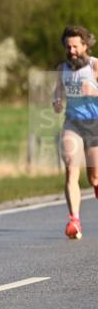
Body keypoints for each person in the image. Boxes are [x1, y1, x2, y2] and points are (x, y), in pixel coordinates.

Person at [51, 25, 98, 239]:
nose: (71, 51)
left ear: (85, 45)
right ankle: (74, 221)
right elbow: (58, 91)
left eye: (75, 46)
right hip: (73, 123)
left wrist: (94, 91)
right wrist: (57, 101)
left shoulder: (95, 66)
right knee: (71, 168)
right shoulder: (62, 69)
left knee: (94, 178)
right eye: (68, 47)